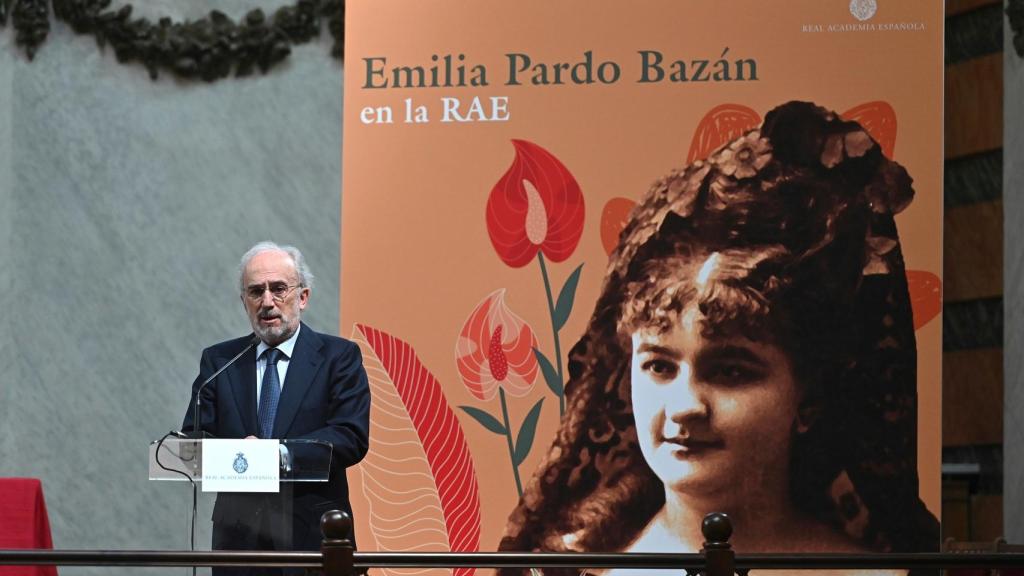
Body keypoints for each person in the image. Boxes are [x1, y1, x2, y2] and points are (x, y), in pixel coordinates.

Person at [498, 102, 939, 575]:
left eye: (731, 371)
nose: (686, 405)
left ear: (807, 396)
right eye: (660, 366)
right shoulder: (573, 570)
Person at [181, 241, 370, 575]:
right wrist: (232, 454)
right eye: (255, 292)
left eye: (278, 289)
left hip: (313, 536)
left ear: (303, 297)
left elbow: (349, 436)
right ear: (244, 302)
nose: (267, 302)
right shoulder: (220, 361)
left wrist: (277, 454)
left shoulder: (338, 358)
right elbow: (193, 443)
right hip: (238, 541)